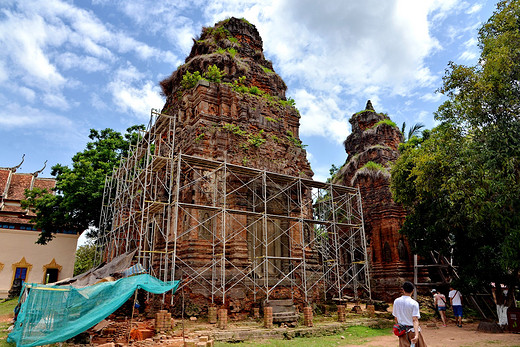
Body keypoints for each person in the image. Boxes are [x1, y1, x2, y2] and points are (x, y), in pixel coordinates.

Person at [393, 281, 428, 347]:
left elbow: (396, 318)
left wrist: (399, 330)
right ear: (413, 291)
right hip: (412, 331)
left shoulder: (396, 301)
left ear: (403, 290)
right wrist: (417, 335)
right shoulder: (414, 303)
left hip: (402, 331)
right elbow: (415, 320)